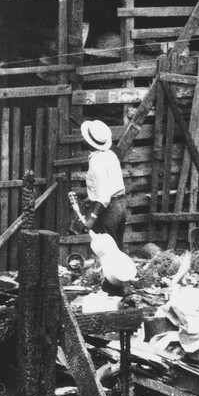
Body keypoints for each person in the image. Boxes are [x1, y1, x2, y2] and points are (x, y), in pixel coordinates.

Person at [70, 117, 133, 285]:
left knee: (108, 253)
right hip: (120, 205)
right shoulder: (110, 154)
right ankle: (119, 288)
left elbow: (104, 195)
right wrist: (88, 198)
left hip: (109, 209)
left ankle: (112, 290)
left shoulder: (97, 162)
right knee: (116, 249)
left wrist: (91, 218)